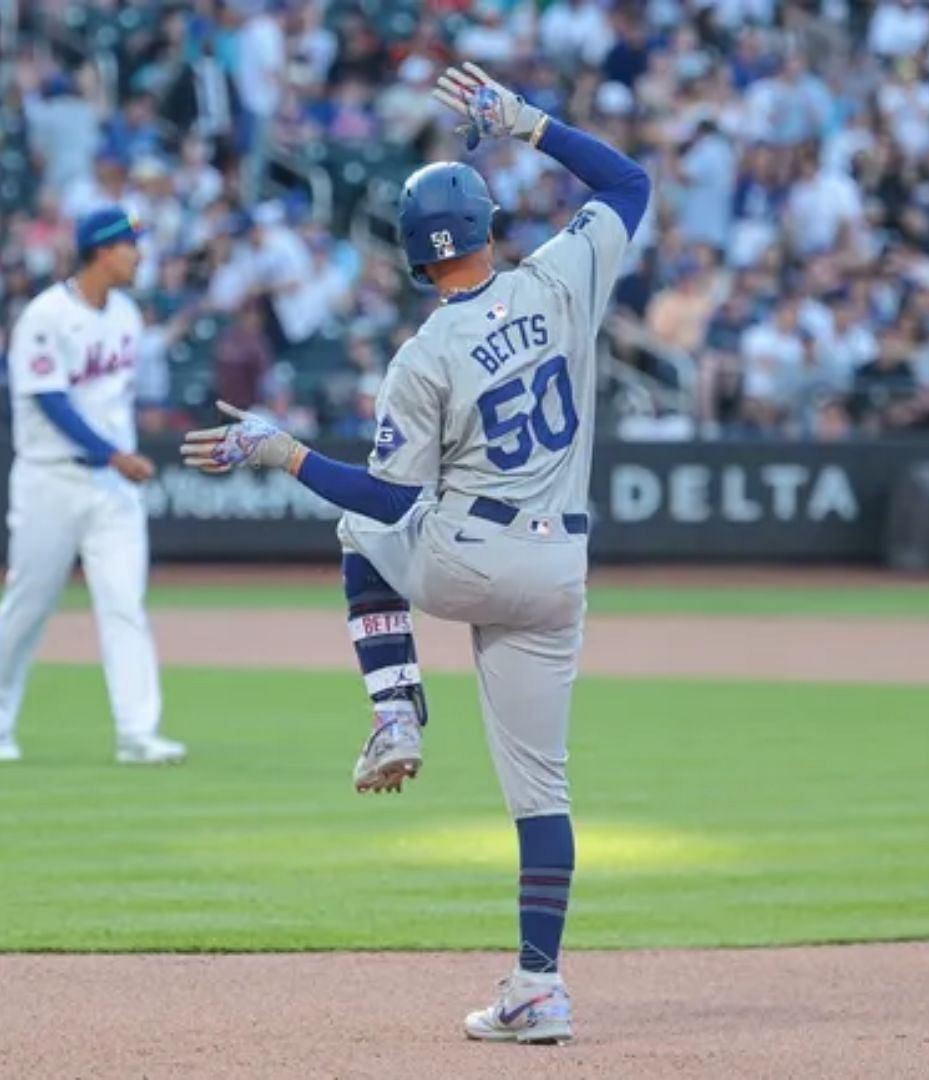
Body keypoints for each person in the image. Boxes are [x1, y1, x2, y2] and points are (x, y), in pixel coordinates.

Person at [179, 62, 651, 1046]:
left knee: (361, 531)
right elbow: (629, 185)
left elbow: (385, 496)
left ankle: (394, 707)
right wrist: (528, 125)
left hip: (467, 556)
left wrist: (282, 451)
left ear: (408, 254)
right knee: (544, 792)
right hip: (559, 571)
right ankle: (540, 985)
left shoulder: (423, 356)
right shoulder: (561, 276)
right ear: (488, 224)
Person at [0, 207, 179, 766]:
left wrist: (118, 453)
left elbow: (116, 396)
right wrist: (114, 453)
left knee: (125, 603)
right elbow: (49, 400)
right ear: (103, 251)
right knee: (27, 607)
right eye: (130, 244)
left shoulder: (125, 313)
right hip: (50, 479)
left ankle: (138, 732)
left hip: (112, 490)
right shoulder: (45, 315)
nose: (138, 254)